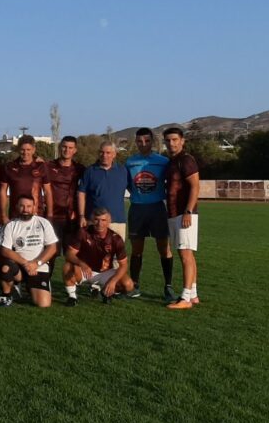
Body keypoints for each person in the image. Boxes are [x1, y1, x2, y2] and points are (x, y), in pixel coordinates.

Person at [125, 128, 174, 300]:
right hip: (137, 209)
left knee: (164, 249)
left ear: (152, 141)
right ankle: (134, 285)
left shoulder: (163, 161)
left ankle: (168, 286)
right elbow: (128, 184)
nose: (143, 144)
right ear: (136, 142)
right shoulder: (130, 162)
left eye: (146, 141)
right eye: (139, 141)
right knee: (137, 250)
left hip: (157, 208)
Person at [0, 195, 59, 308]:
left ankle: (29, 287)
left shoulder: (43, 223)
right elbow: (5, 250)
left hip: (38, 267)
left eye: (29, 206)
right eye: (22, 206)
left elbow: (52, 247)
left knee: (43, 304)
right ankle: (8, 295)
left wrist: (36, 263)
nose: (25, 209)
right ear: (17, 207)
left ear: (34, 207)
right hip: (20, 266)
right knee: (5, 268)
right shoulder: (10, 225)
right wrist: (25, 263)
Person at [63, 207, 134, 306]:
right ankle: (72, 297)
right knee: (67, 267)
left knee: (128, 285)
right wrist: (82, 264)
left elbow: (124, 265)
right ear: (92, 220)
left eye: (103, 220)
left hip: (105, 272)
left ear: (109, 221)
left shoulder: (116, 239)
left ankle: (106, 292)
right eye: (96, 219)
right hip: (84, 270)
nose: (100, 223)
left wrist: (113, 281)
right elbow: (69, 254)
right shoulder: (83, 232)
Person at [163, 128, 202, 310]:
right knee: (186, 254)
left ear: (182, 141)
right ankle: (193, 294)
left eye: (174, 139)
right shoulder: (172, 161)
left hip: (184, 214)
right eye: (168, 140)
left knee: (185, 255)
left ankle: (185, 298)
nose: (171, 143)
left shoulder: (186, 160)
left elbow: (195, 186)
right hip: (173, 213)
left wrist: (188, 211)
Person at [45, 136, 85, 286]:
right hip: (52, 218)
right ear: (59, 147)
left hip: (72, 219)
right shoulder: (48, 166)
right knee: (50, 254)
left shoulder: (80, 169)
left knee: (73, 255)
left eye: (70, 148)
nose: (67, 150)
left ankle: (72, 289)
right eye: (64, 147)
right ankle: (45, 284)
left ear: (75, 150)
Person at [77, 141, 130, 240]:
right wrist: (81, 216)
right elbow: (81, 193)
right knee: (93, 249)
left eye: (108, 153)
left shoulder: (123, 171)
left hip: (117, 221)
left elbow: (133, 189)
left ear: (114, 154)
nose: (104, 155)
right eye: (102, 152)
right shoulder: (90, 171)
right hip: (95, 221)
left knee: (117, 250)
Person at [0, 135, 53, 223]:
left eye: (28, 149)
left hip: (37, 215)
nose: (25, 152)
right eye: (22, 149)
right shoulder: (9, 167)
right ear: (18, 149)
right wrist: (3, 215)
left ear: (33, 150)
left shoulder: (41, 166)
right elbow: (3, 191)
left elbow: (47, 191)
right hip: (15, 216)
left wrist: (50, 214)